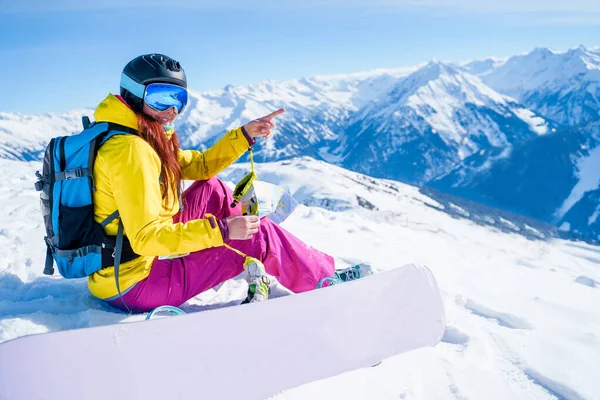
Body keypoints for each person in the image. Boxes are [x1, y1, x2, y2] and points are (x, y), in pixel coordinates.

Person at [89, 53, 372, 313]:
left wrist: (244, 135)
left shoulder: (137, 135)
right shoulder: (131, 151)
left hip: (117, 269)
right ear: (134, 95)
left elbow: (198, 166)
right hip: (134, 285)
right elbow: (146, 238)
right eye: (161, 98)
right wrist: (223, 230)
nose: (173, 109)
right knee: (254, 236)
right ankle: (319, 281)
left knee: (212, 188)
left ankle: (290, 258)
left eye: (179, 98)